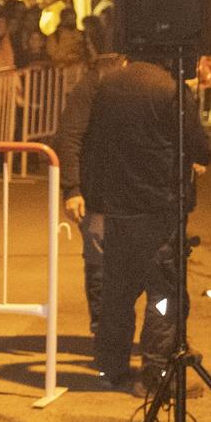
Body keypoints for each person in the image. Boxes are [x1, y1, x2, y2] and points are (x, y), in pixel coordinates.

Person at [81, 50, 211, 393]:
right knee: (164, 296)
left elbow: (94, 141)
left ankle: (111, 367)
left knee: (118, 293)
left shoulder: (110, 85)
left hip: (119, 206)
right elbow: (200, 147)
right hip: (158, 208)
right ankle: (156, 371)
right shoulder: (170, 89)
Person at [51, 50, 129, 339]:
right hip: (100, 191)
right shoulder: (95, 82)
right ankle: (103, 331)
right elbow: (68, 136)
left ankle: (154, 338)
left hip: (139, 192)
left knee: (147, 272)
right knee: (99, 265)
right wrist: (72, 188)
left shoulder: (153, 78)